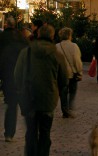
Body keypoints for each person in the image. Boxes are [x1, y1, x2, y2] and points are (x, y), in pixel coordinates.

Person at [14, 24, 68, 156]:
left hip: (29, 98)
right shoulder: (57, 55)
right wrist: (58, 91)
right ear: (52, 36)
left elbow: (17, 75)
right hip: (48, 99)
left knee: (31, 133)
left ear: (38, 35)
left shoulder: (26, 52)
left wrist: (20, 92)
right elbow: (64, 79)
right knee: (45, 133)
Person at [0, 16, 28, 142]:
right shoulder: (21, 38)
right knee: (25, 105)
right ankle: (31, 131)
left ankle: (9, 133)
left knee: (11, 104)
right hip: (21, 76)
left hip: (7, 75)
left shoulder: (1, 38)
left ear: (6, 25)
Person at [56, 27, 83, 118]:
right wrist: (79, 72)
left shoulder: (57, 46)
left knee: (63, 93)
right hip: (72, 73)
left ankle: (65, 109)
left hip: (61, 74)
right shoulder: (74, 46)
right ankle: (70, 107)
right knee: (72, 91)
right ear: (69, 35)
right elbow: (77, 61)